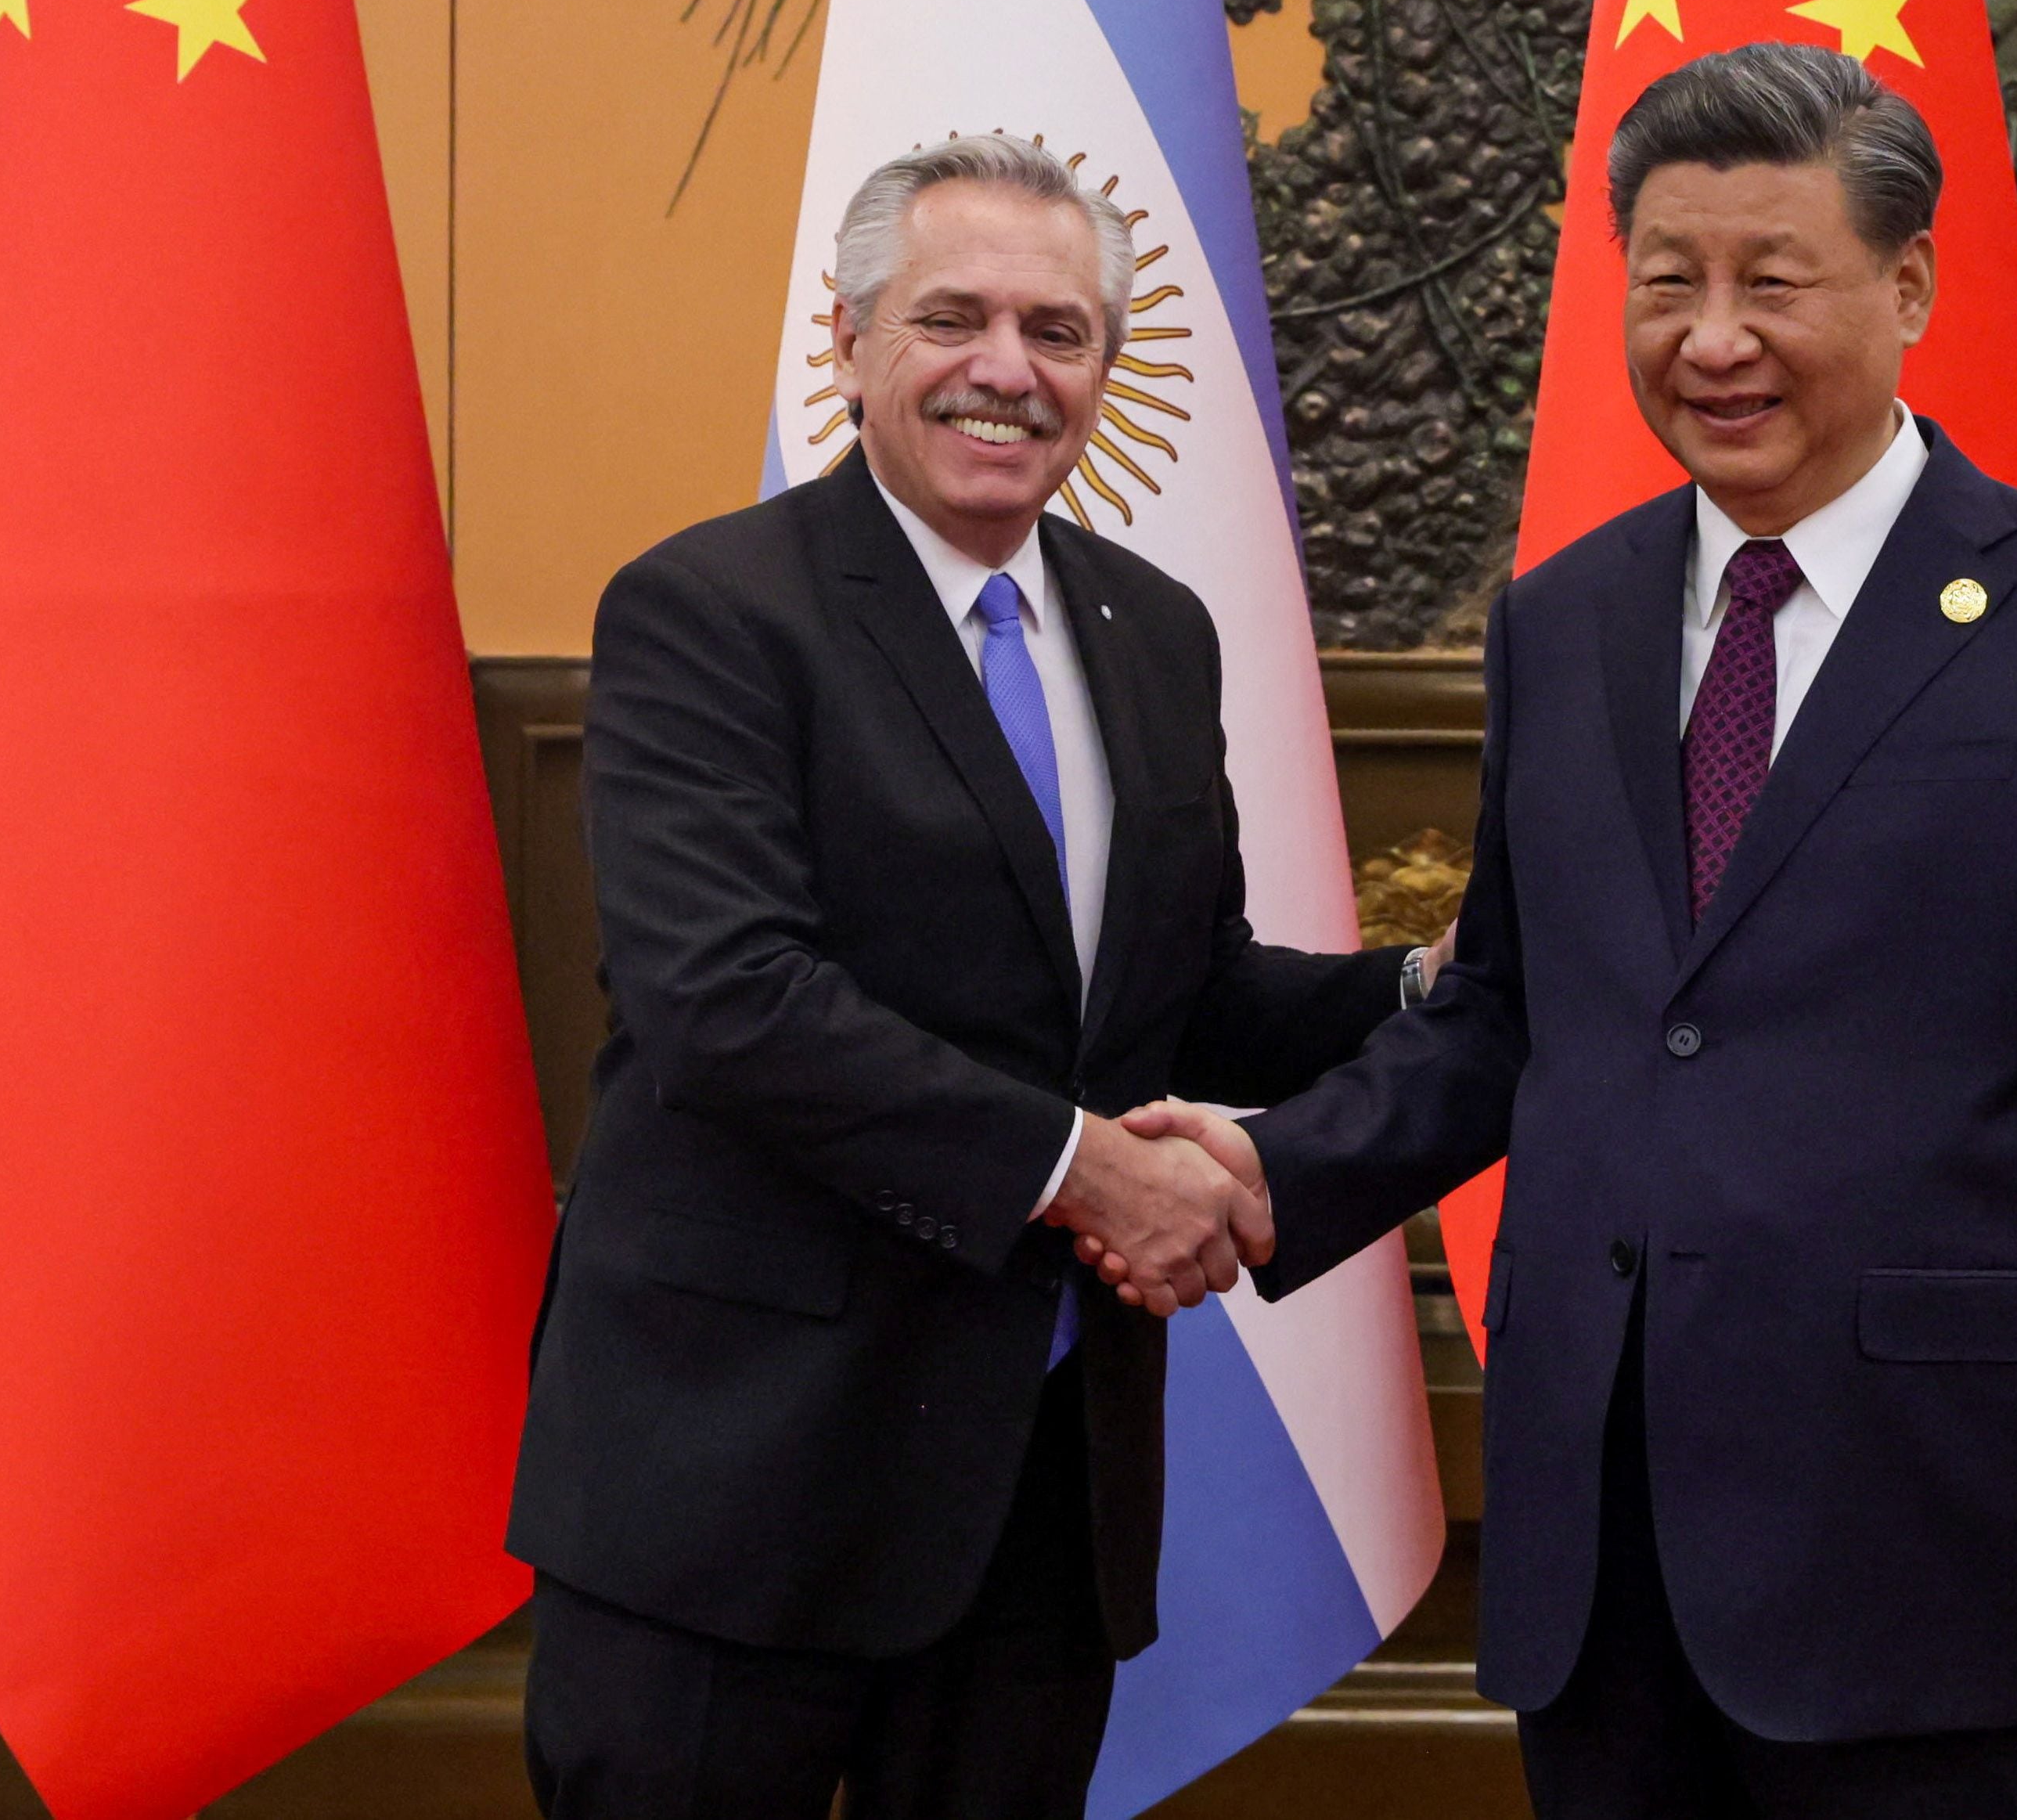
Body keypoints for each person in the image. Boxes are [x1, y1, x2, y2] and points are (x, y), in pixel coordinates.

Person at [1102, 43, 2017, 1818]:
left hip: (1939, 1534)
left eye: (1770, 280)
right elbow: (1511, 1009)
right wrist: (1271, 1173)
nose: (1710, 337)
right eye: (1667, 282)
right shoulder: (1562, 618)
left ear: (1906, 287)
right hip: (1606, 1534)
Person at [511, 134, 1430, 1820]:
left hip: (1029, 1476)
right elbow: (729, 1000)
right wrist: (1088, 1169)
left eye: (1059, 330)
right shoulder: (708, 611)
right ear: (850, 340)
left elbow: (1181, 993)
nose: (1006, 369)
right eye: (952, 317)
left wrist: (1421, 991)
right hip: (733, 1483)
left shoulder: (1154, 629)